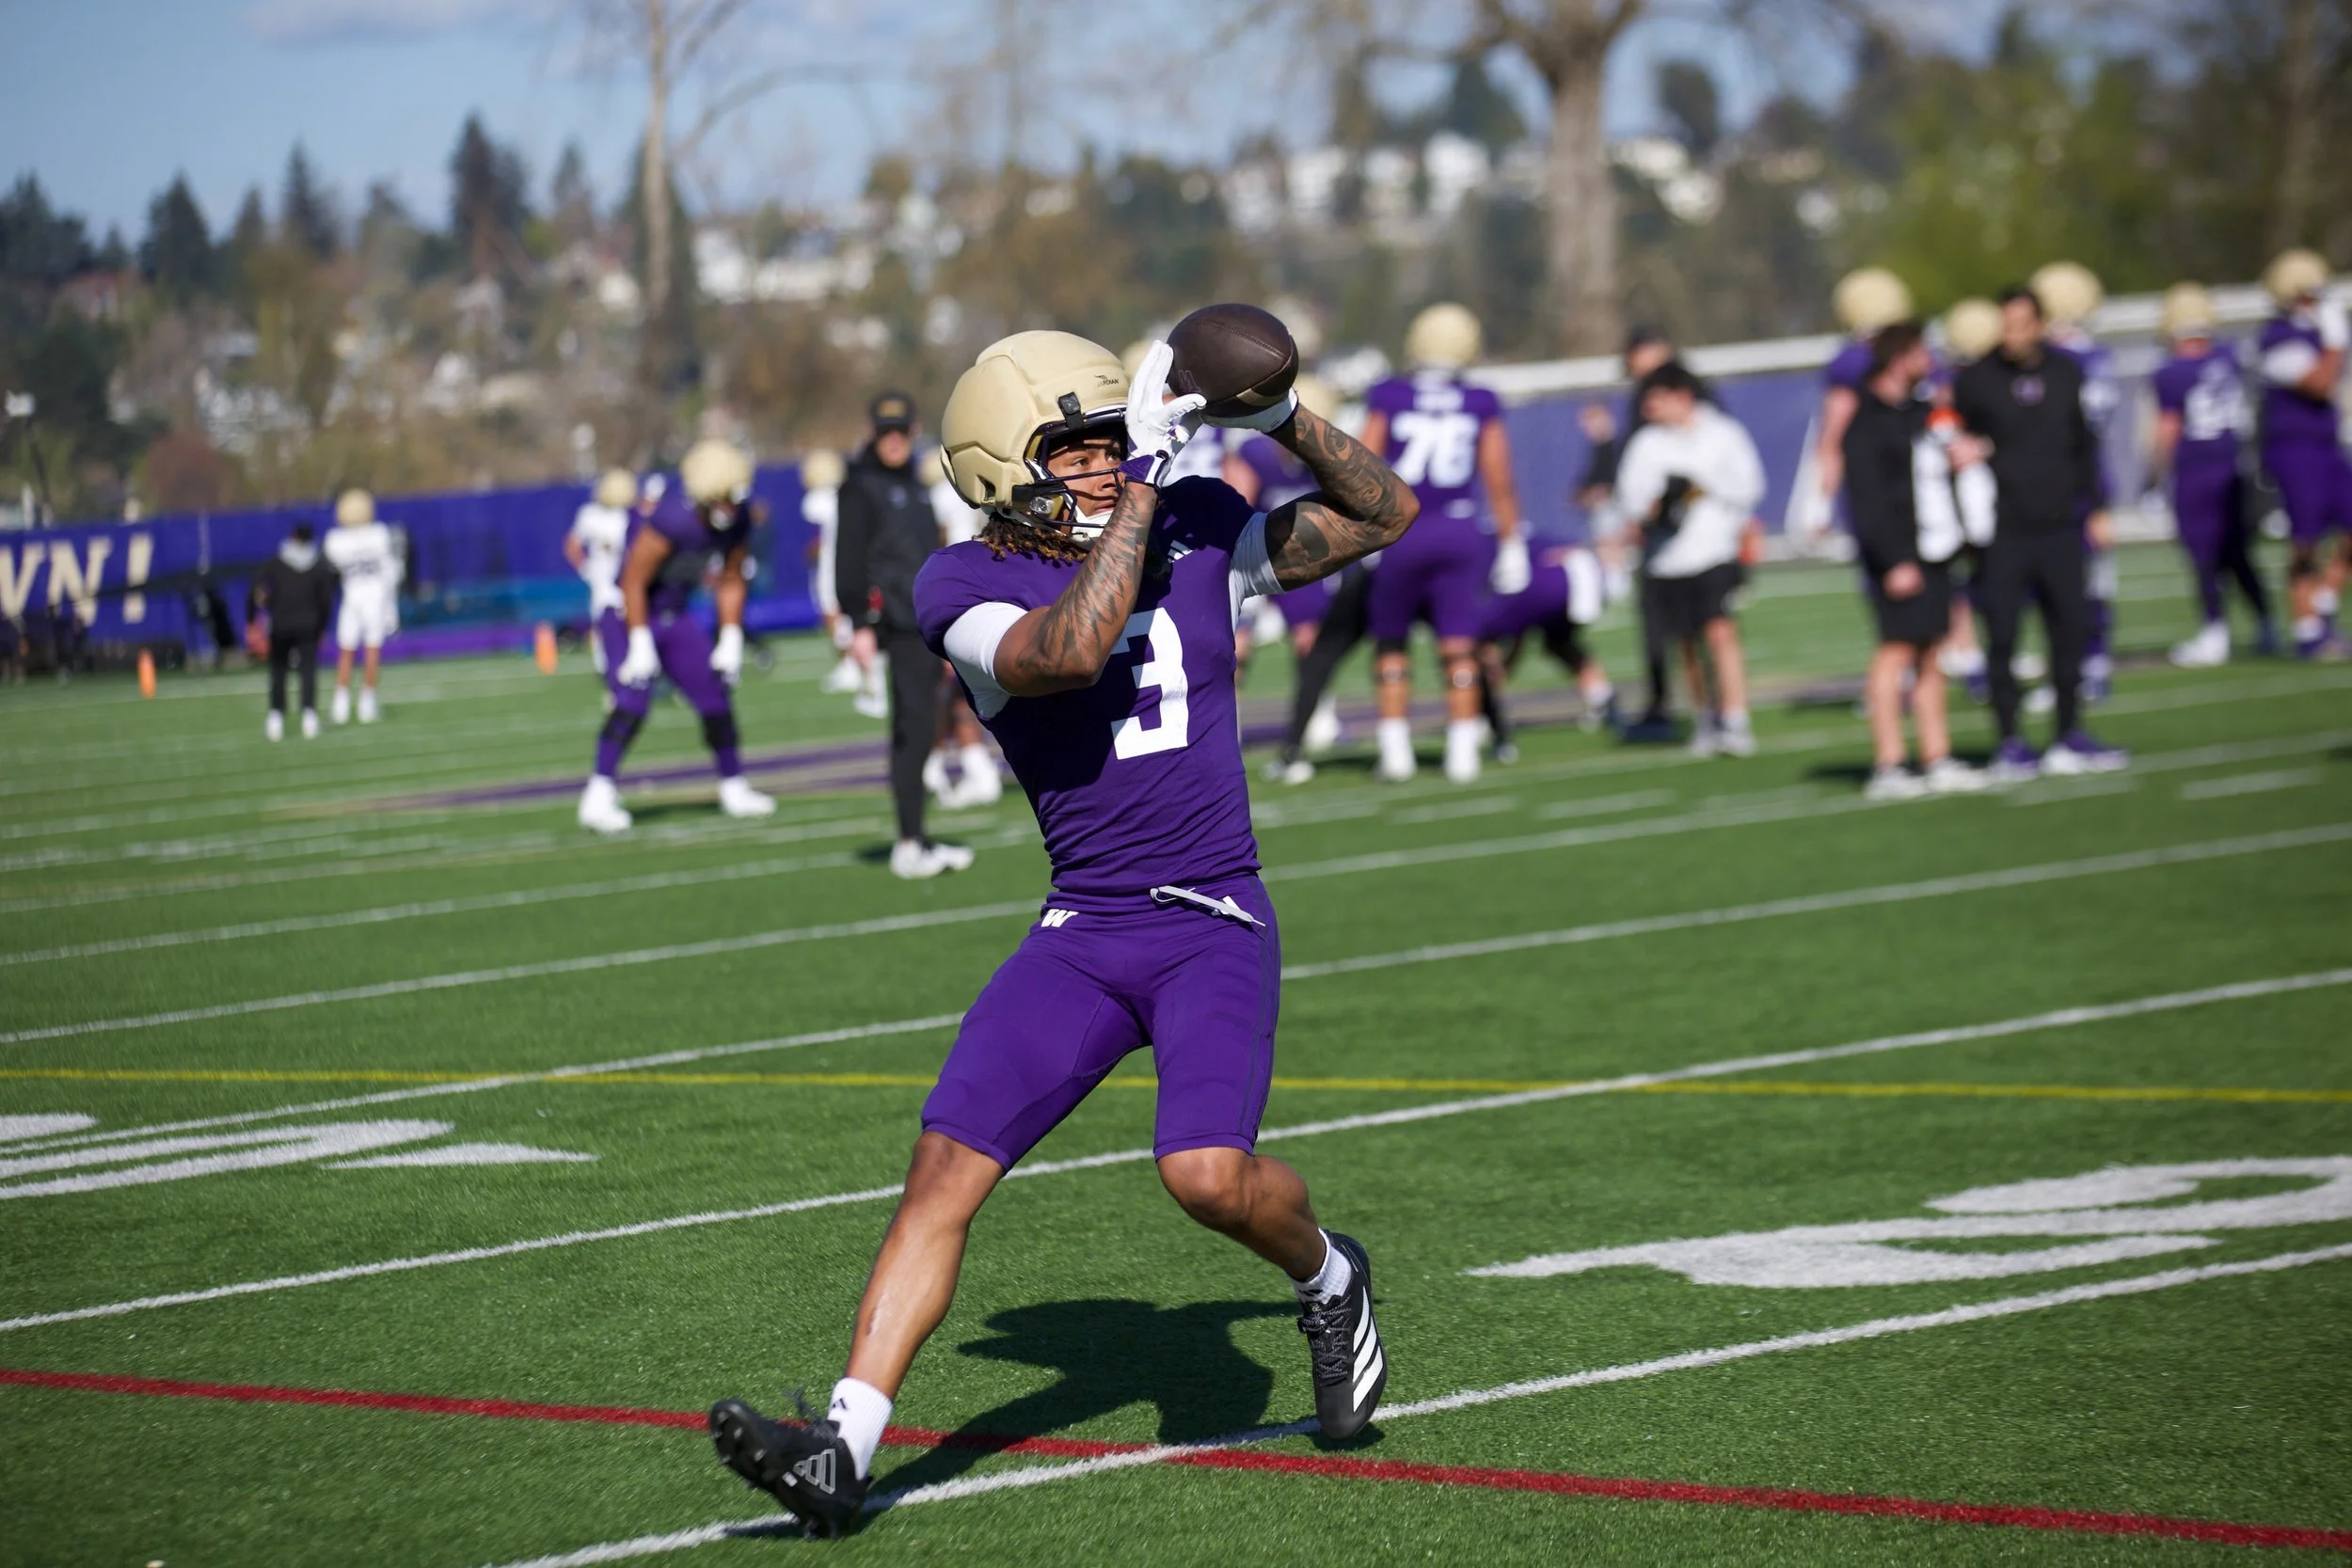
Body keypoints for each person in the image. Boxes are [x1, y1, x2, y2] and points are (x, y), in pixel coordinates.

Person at [707, 328, 1419, 1534]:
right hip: (1083, 927)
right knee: (942, 1168)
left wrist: (1280, 411)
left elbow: (1381, 511)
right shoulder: (960, 583)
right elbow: (1069, 647)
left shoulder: (1191, 517)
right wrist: (1143, 484)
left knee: (1204, 1177)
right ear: (996, 470)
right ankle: (845, 1444)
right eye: (1074, 450)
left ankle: (1329, 1274)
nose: (1102, 466)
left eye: (1110, 443)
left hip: (1210, 917)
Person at [1953, 287, 2129, 779]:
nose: (2013, 335)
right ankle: (2009, 741)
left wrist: (2096, 508)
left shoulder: (2065, 371)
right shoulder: (1977, 379)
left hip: (2060, 527)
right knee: (2004, 639)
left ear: (2040, 324)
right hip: (2003, 531)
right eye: (2005, 325)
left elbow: (2082, 444)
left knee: (2069, 633)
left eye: (2022, 324)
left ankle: (2068, 735)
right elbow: (1950, 436)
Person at [1360, 303, 1529, 783]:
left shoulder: (1390, 394)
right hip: (1458, 531)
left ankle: (1396, 751)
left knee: (1392, 643)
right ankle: (1462, 751)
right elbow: (1499, 477)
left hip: (1400, 531)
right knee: (1459, 644)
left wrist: (1361, 532)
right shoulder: (1479, 399)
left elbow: (1362, 463)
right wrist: (1512, 540)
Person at [575, 442, 779, 833]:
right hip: (627, 613)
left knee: (715, 694)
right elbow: (632, 581)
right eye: (720, 501)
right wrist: (638, 641)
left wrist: (732, 636)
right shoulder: (673, 517)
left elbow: (732, 579)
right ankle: (598, 793)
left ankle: (733, 785)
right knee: (632, 701)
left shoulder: (736, 521)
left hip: (674, 616)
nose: (728, 509)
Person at [1842, 322, 1991, 800]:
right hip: (1898, 558)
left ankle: (1936, 755)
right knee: (1896, 652)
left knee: (1932, 653)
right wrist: (1893, 561)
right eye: (1919, 351)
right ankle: (1888, 764)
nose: (1928, 358)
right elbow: (1867, 503)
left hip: (1935, 550)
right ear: (1898, 356)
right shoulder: (1866, 422)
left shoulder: (1921, 413)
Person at [835, 392, 977, 879]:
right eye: (885, 432)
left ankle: (916, 838)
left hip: (921, 623)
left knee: (919, 730)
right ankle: (910, 843)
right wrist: (858, 624)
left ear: (913, 432)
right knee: (913, 733)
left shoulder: (914, 485)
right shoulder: (861, 486)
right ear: (874, 434)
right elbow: (849, 558)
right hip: (893, 626)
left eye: (900, 432)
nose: (893, 441)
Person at [1614, 360, 1764, 758]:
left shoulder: (1723, 433)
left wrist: (1698, 485)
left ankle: (1735, 718)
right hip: (1667, 559)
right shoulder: (1646, 444)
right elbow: (1632, 499)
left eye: (1657, 398)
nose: (1650, 407)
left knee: (1720, 633)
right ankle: (1705, 718)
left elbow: (1749, 485)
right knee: (1686, 643)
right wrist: (1661, 505)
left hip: (1714, 552)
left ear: (1681, 396)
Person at [2150, 282, 2276, 667]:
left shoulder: (2172, 372)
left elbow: (2169, 429)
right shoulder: (2230, 357)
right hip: (2235, 468)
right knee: (2238, 553)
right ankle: (2266, 624)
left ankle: (2215, 630)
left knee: (2203, 556)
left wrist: (2153, 477)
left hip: (2197, 473)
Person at [1580, 326, 1679, 739]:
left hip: (1689, 530)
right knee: (1658, 622)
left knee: (1702, 629)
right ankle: (1664, 704)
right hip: (1658, 527)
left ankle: (1718, 712)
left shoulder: (1686, 395)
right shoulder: (1642, 399)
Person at [2033, 261, 2123, 699]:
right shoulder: (2098, 356)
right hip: (2088, 479)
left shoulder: (2062, 362)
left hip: (2068, 483)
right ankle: (2092, 664)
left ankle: (2081, 667)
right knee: (2090, 580)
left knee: (2072, 581)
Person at [2256, 247, 2351, 660]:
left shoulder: (2314, 332)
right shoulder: (2276, 339)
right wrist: (2335, 340)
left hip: (2328, 445)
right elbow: (2321, 383)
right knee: (2306, 539)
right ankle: (2307, 628)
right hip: (2294, 449)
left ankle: (2325, 604)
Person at [1801, 267, 1915, 551]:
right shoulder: (1918, 354)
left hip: (1890, 482)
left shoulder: (1851, 361)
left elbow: (1831, 437)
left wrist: (1819, 504)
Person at [918, 447, 1004, 809]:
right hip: (983, 589)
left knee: (953, 690)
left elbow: (935, 543)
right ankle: (967, 765)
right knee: (959, 691)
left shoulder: (941, 497)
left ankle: (959, 767)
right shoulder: (983, 487)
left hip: (957, 593)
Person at [1476, 542, 1619, 755]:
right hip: (1580, 576)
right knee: (1558, 643)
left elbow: (1514, 636)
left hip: (1550, 582)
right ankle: (1603, 696)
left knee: (1485, 651)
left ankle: (1484, 718)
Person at [246, 520, 338, 741]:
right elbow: (325, 601)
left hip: (281, 625)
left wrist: (252, 620)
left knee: (278, 672)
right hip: (308, 625)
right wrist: (323, 627)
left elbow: (256, 589)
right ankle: (309, 716)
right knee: (307, 671)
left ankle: (276, 717)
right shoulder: (316, 566)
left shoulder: (277, 563)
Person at [322, 488, 403, 724]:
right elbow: (392, 571)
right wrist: (391, 608)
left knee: (346, 650)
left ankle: (341, 704)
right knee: (372, 649)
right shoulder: (379, 534)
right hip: (374, 597)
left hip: (352, 596)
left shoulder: (335, 540)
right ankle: (367, 703)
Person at [802, 450, 873, 703]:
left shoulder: (819, 500)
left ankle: (850, 665)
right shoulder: (848, 496)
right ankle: (851, 665)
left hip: (833, 561)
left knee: (832, 610)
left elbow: (817, 539)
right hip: (848, 557)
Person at [564, 467, 637, 689]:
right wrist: (585, 568)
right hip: (603, 582)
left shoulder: (630, 516)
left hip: (629, 580)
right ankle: (609, 673)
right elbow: (572, 544)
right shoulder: (590, 514)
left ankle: (635, 668)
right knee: (603, 625)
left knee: (634, 622)